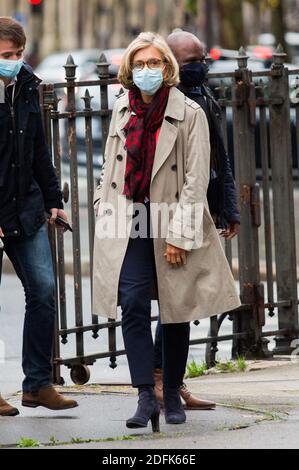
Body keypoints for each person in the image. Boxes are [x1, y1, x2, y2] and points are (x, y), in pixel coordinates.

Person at [92, 32, 241, 432]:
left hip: (171, 218)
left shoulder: (189, 112)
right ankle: (145, 394)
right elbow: (108, 166)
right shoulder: (122, 109)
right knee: (133, 301)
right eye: (139, 64)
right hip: (128, 219)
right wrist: (99, 204)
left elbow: (195, 180)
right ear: (128, 70)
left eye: (154, 63)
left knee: (176, 307)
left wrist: (179, 234)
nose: (146, 71)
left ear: (167, 67)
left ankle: (171, 390)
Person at [153, 30, 241, 410]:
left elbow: (220, 158)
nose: (200, 67)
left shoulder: (203, 98)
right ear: (172, 62)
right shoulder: (164, 103)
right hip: (171, 217)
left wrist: (230, 207)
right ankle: (160, 383)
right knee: (176, 302)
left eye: (202, 59)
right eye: (191, 62)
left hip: (201, 212)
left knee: (185, 302)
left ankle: (170, 382)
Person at [0, 17, 78, 416]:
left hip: (26, 208)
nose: (11, 62)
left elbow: (38, 152)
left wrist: (53, 199)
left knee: (44, 292)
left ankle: (37, 384)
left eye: (16, 55)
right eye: (3, 57)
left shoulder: (28, 86)